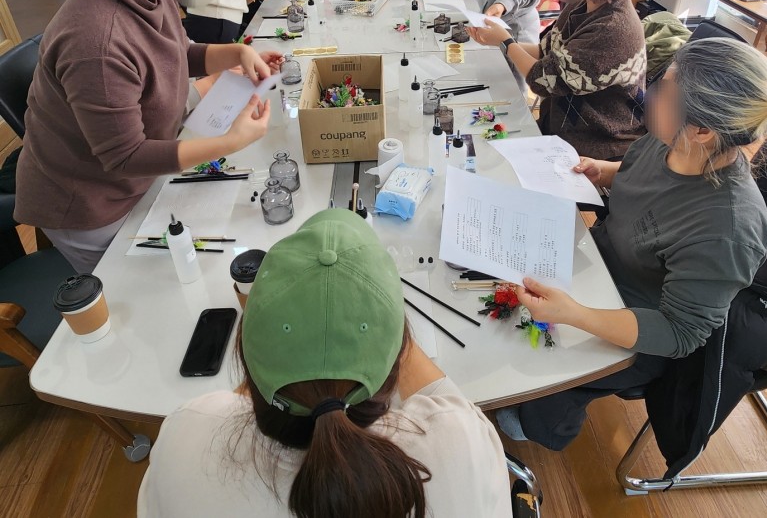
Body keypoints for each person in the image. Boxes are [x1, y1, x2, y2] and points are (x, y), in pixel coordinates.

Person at [494, 38, 767, 451]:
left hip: (638, 325)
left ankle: (552, 419)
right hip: (600, 265)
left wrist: (574, 314)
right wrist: (603, 171)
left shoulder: (728, 229)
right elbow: (640, 174)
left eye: (664, 87)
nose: (650, 92)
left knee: (518, 395)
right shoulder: (670, 142)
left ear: (702, 130)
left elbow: (680, 333)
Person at [138, 210, 511, 518]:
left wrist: (267, 334)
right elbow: (442, 397)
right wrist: (386, 320)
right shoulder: (458, 442)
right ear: (393, 368)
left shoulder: (187, 438)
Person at [13, 0, 282, 272]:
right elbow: (125, 156)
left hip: (139, 174)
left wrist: (236, 53)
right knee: (156, 285)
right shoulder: (96, 41)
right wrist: (230, 141)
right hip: (93, 204)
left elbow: (176, 53)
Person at [466, 0, 646, 159]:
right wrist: (496, 40)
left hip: (598, 147)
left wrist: (507, 42)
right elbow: (548, 50)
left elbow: (544, 79)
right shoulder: (583, 2)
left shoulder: (613, 29)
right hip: (561, 129)